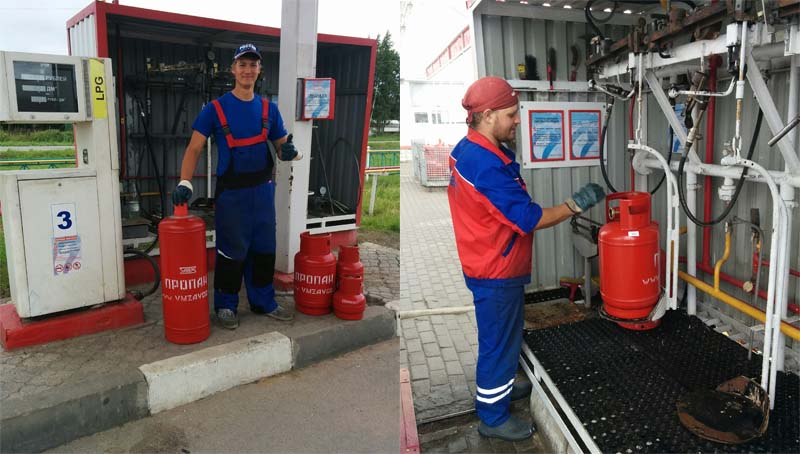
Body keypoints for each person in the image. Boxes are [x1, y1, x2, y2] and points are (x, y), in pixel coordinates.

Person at [447, 76, 605, 441]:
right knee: (498, 343)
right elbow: (528, 218)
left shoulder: (473, 149)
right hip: (495, 269)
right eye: (511, 114)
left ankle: (499, 389)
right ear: (486, 116)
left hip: (491, 260)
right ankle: (493, 416)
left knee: (506, 336)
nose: (517, 120)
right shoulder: (484, 165)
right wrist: (573, 205)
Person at [173, 43, 302, 329]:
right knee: (231, 252)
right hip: (232, 196)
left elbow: (282, 149)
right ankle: (226, 305)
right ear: (233, 69)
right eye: (242, 64)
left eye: (253, 64)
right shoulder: (215, 109)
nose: (247, 70)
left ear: (259, 70)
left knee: (265, 250)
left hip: (263, 193)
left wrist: (291, 151)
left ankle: (263, 302)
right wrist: (185, 181)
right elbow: (194, 148)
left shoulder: (270, 109)